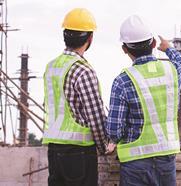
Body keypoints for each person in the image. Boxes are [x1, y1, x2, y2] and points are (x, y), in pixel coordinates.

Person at [106, 15, 181, 186]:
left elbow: (114, 131)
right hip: (165, 161)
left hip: (134, 163)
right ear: (153, 43)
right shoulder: (172, 71)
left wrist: (113, 140)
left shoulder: (123, 81)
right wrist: (169, 49)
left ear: (124, 49)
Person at [42, 8, 111, 186]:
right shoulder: (83, 70)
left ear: (65, 35)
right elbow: (95, 116)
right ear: (90, 38)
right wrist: (104, 146)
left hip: (54, 150)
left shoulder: (51, 67)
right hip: (78, 152)